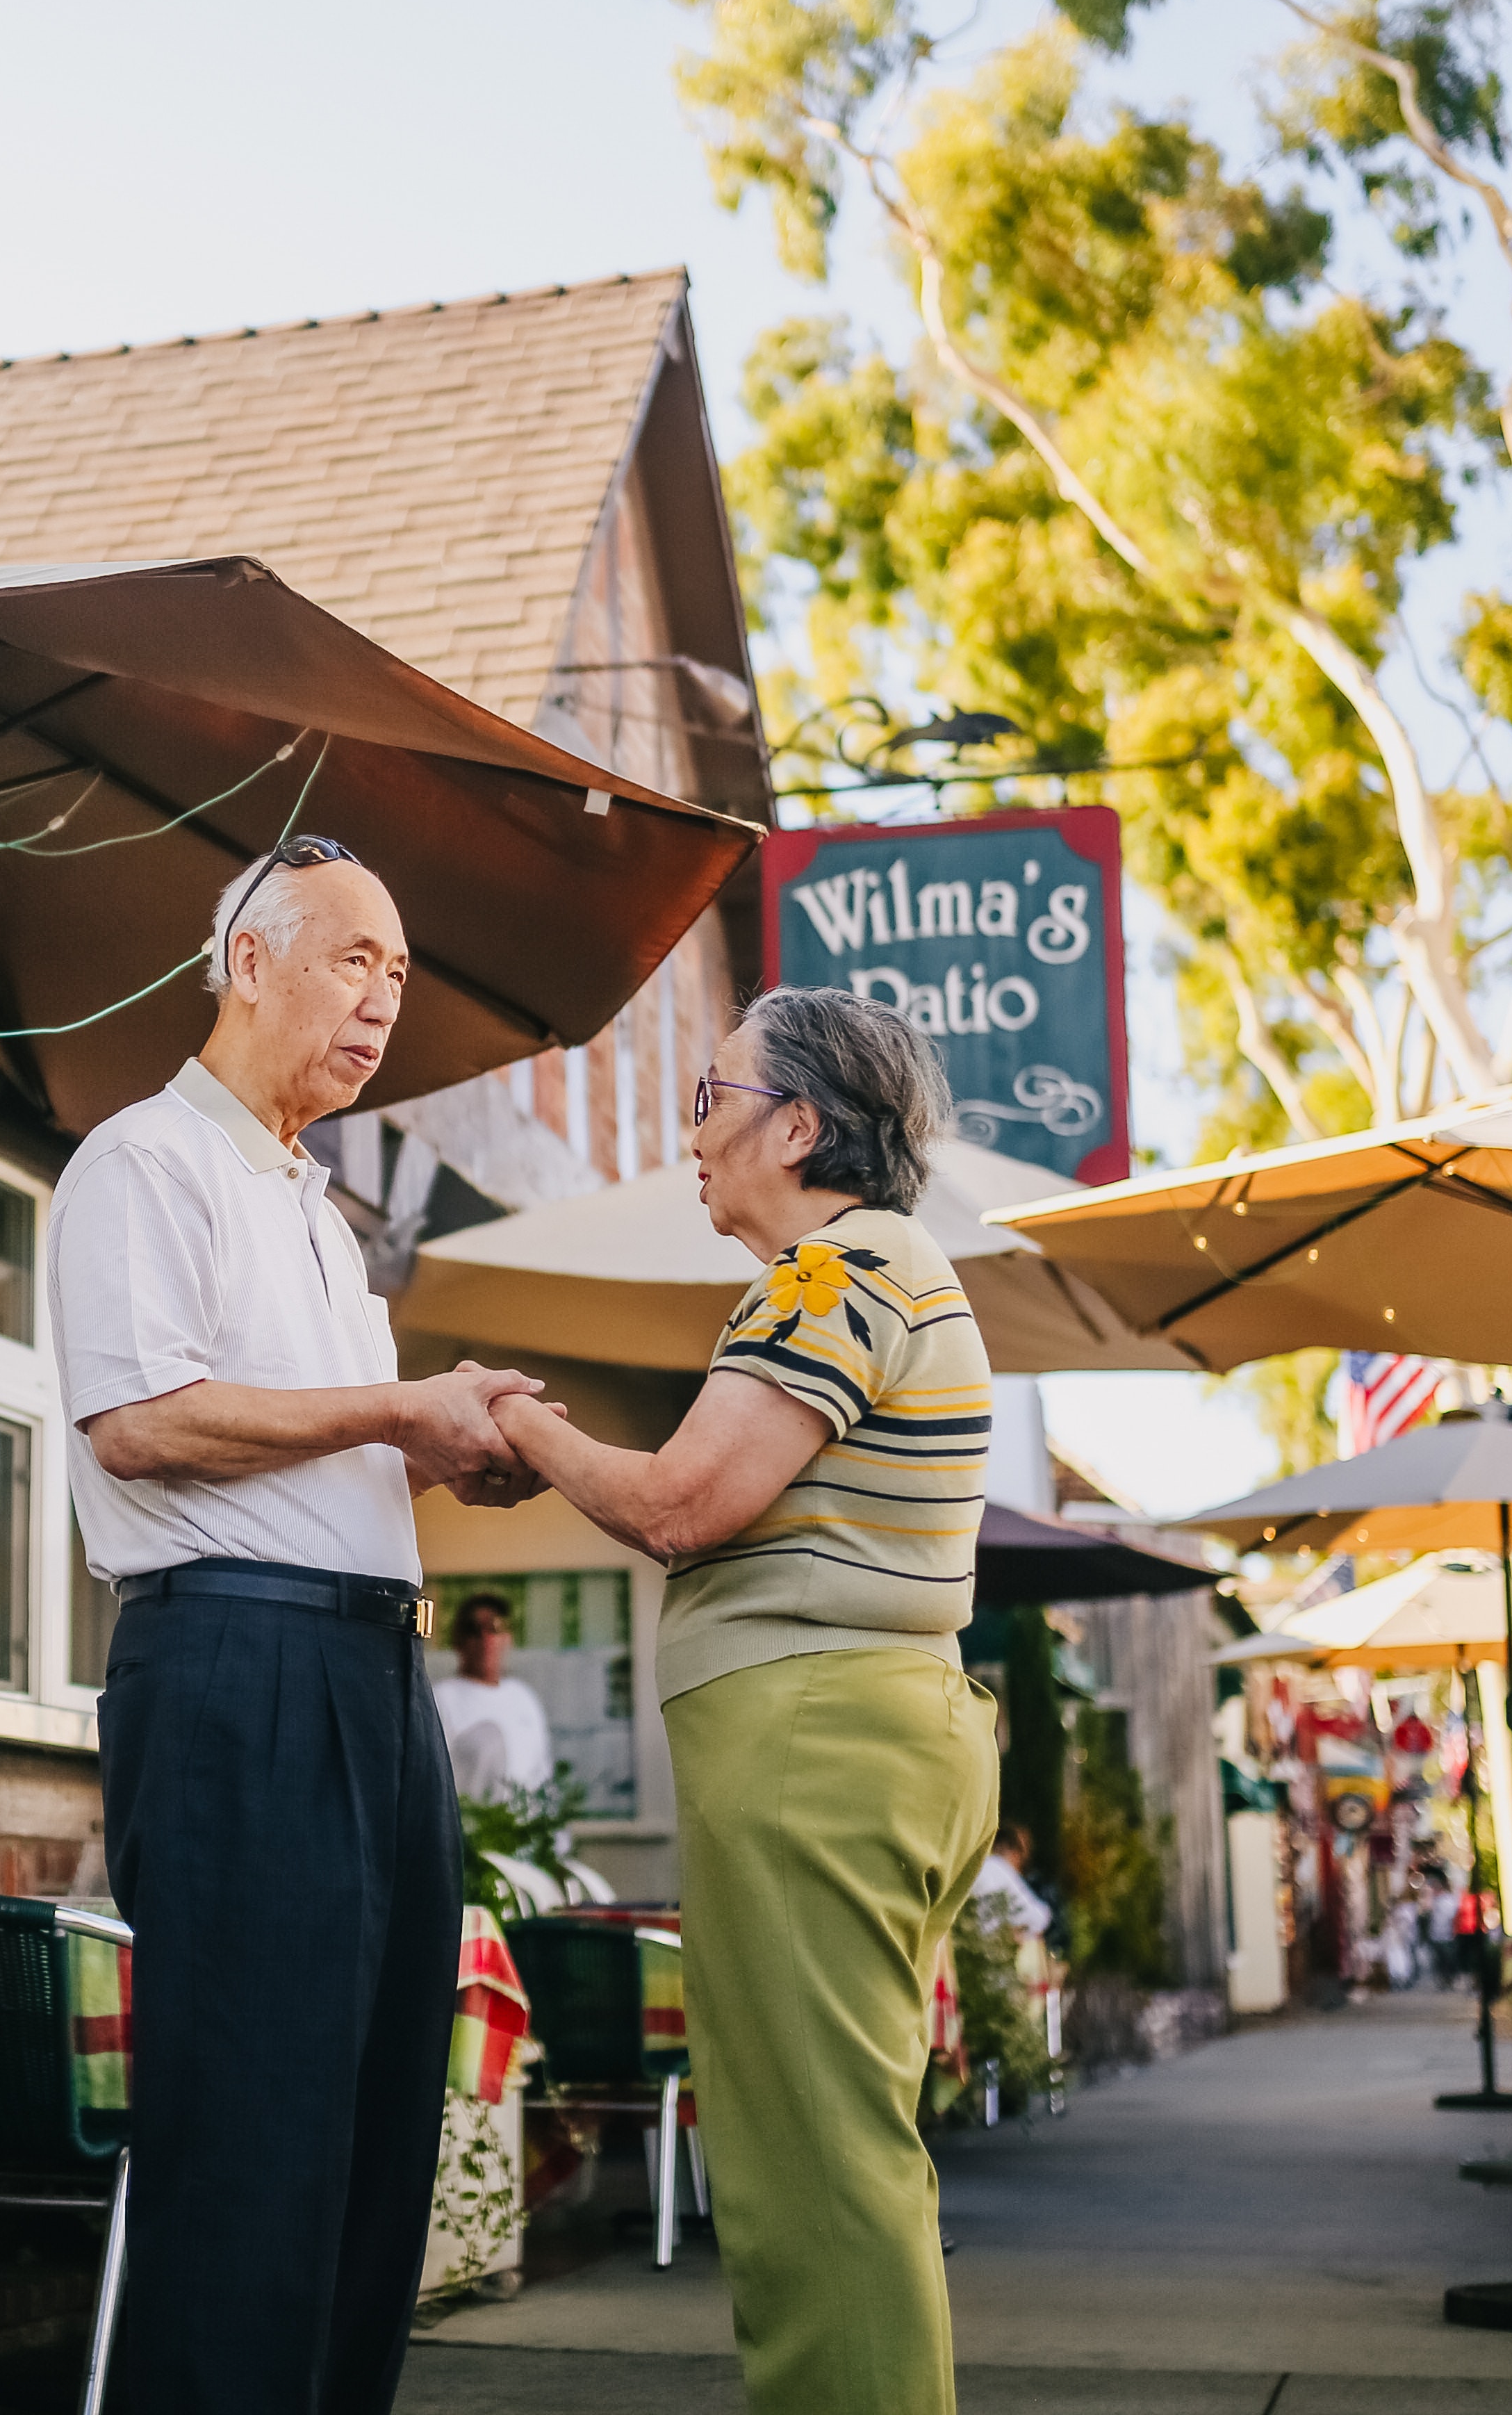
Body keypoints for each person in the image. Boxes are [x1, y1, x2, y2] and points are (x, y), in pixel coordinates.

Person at [46, 833, 542, 2415]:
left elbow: (325, 1452)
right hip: (236, 1672)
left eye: (396, 972)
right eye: (351, 958)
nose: (382, 999)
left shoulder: (322, 1212)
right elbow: (136, 1420)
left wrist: (446, 1445)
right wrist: (394, 1403)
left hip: (372, 1679)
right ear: (244, 962)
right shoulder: (142, 1162)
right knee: (253, 2139)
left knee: (376, 2140)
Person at [486, 985, 994, 2415]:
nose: (689, 1135)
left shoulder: (837, 1275)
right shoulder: (874, 1272)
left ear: (802, 1124)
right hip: (859, 1738)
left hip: (818, 1748)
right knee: (826, 2156)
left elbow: (682, 1504)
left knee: (810, 2175)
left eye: (709, 1099)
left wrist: (518, 1420)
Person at [432, 1591, 554, 1804]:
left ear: (508, 1638)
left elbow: (543, 1775)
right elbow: (435, 1782)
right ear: (458, 1640)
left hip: (527, 1834)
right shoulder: (441, 1699)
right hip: (474, 1833)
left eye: (495, 1628)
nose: (485, 1639)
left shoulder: (523, 1697)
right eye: (474, 1630)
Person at [969, 1821, 1052, 1942]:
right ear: (1008, 1848)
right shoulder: (1000, 1868)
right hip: (992, 1947)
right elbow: (1040, 1917)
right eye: (1022, 1852)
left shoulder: (978, 1866)